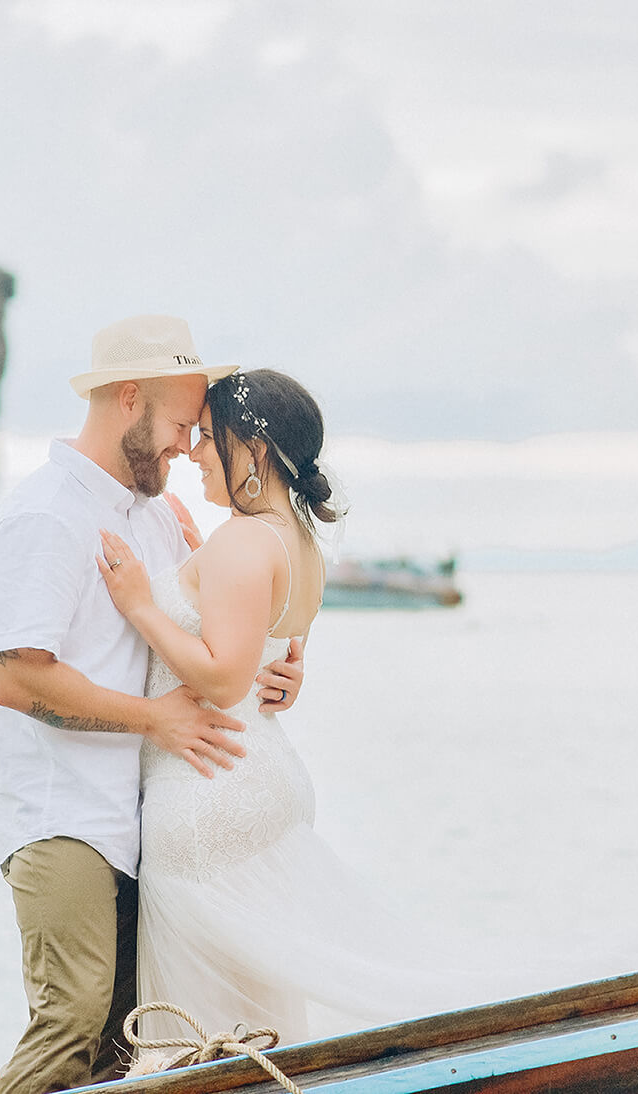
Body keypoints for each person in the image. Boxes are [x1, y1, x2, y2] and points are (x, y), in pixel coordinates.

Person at [95, 368, 493, 1067]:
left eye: (209, 440)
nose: (193, 453)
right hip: (260, 772)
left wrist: (139, 605)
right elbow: (261, 649)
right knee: (261, 1024)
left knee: (199, 1034)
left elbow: (221, 677)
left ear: (254, 450)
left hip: (206, 790)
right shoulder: (297, 540)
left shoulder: (245, 542)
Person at [0, 315, 307, 1094]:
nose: (188, 447)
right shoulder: (45, 515)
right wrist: (156, 721)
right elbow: (15, 680)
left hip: (142, 821)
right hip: (64, 816)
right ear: (130, 398)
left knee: (131, 1045)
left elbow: (210, 630)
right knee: (73, 1017)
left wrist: (278, 668)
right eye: (183, 425)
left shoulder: (158, 516)